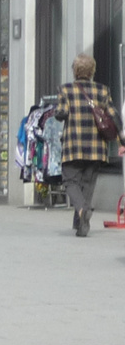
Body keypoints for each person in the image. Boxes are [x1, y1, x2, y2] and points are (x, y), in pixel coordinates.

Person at [54, 53, 121, 237]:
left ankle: (83, 211)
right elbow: (114, 116)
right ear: (92, 71)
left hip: (73, 145)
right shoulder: (103, 90)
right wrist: (121, 139)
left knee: (69, 180)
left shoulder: (65, 90)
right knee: (87, 184)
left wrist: (57, 111)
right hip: (96, 147)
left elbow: (61, 113)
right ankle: (81, 225)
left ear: (75, 70)